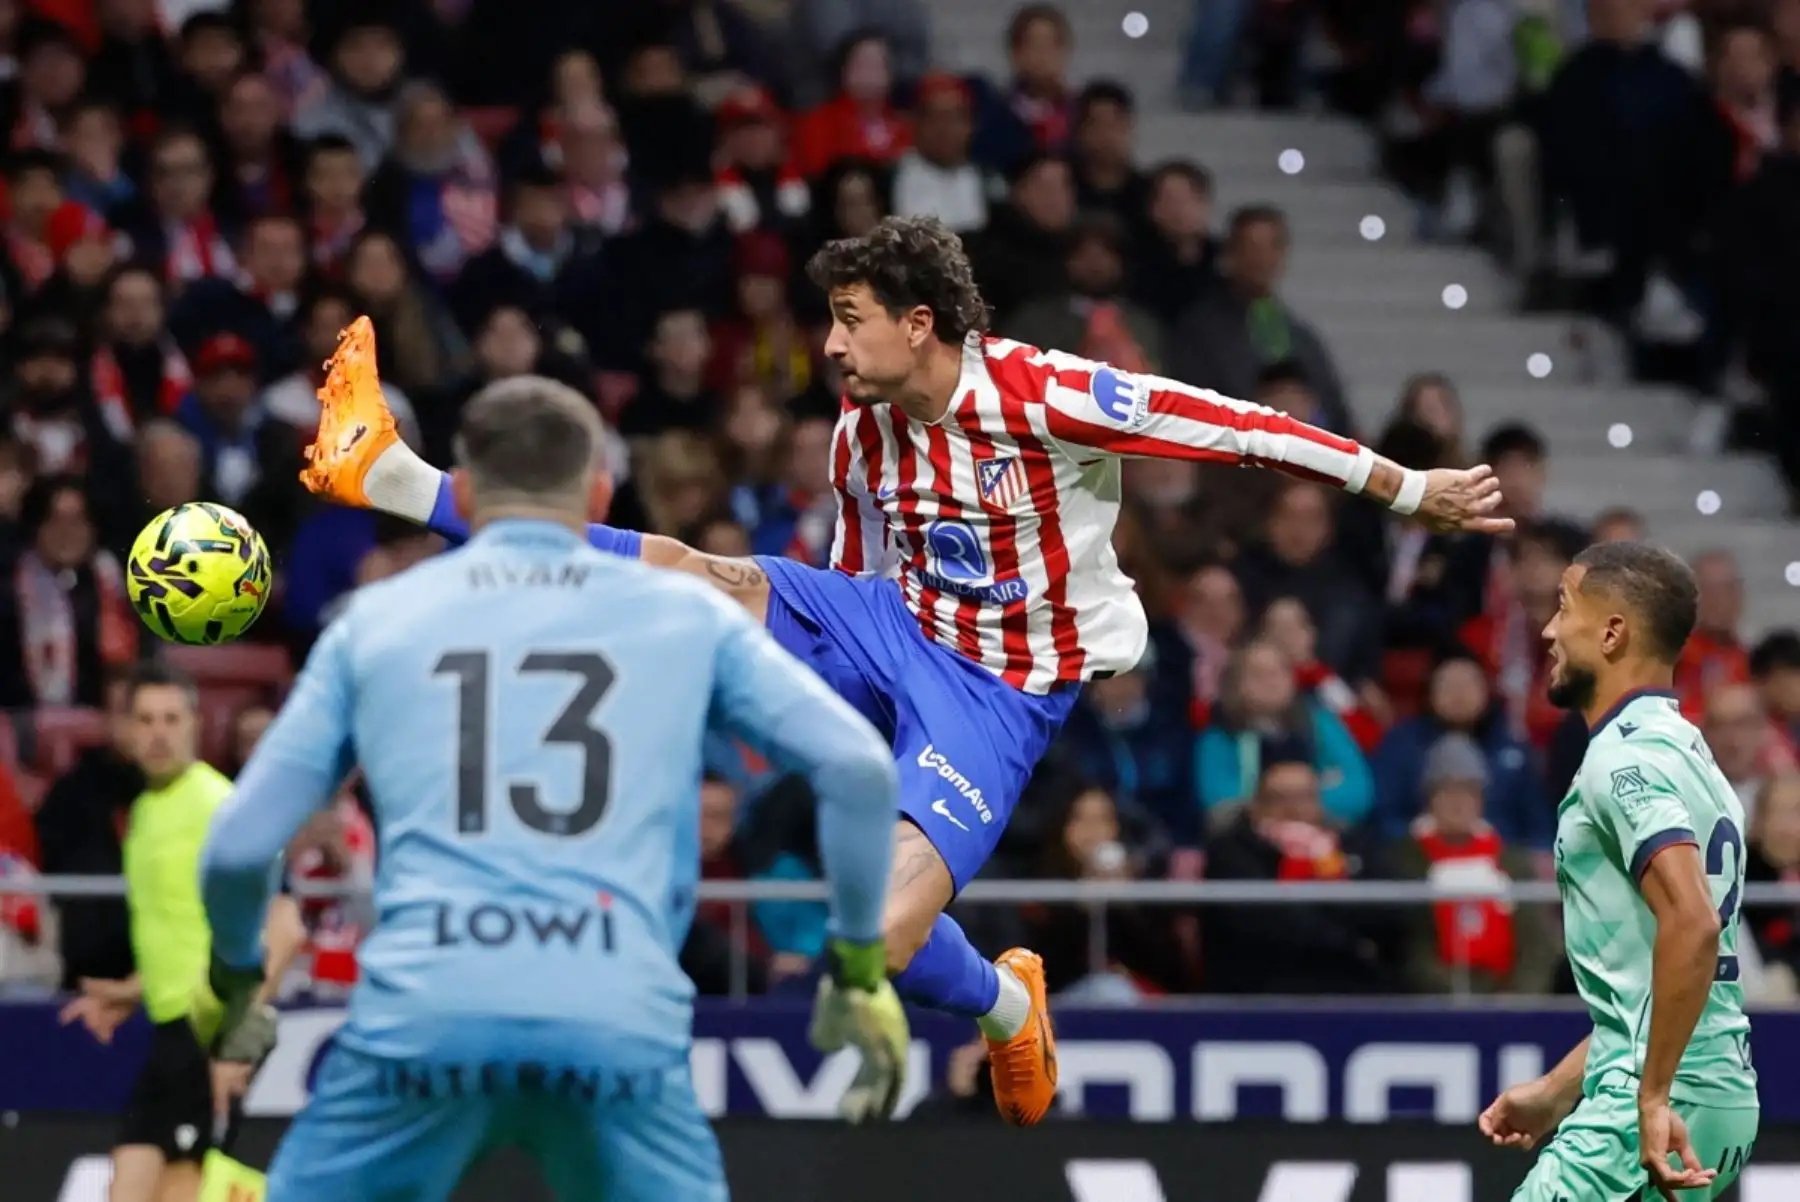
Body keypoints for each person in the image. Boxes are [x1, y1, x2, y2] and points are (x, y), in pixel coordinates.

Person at [299, 214, 1512, 1126]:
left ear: (918, 324)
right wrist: (801, 670)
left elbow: (1237, 424)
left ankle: (1004, 1004)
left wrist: (1409, 490)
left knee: (868, 927)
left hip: (1000, 689)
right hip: (885, 623)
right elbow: (854, 558)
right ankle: (397, 477)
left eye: (849, 319)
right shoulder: (863, 428)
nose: (828, 343)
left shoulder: (1043, 393)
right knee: (690, 568)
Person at [198, 377, 907, 1201]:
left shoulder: (375, 622)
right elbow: (857, 771)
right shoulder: (684, 615)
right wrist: (857, 969)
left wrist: (239, 979)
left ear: (459, 493)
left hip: (426, 1021)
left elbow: (240, 843)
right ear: (600, 492)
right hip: (614, 1024)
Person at [1478, 542, 1759, 1200]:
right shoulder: (1691, 754)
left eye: (1563, 608)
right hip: (1710, 1090)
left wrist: (1652, 1096)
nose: (1548, 630)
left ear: (1612, 632)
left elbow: (1692, 925)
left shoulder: (1622, 764)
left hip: (1655, 1107)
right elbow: (1655, 979)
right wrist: (1554, 1093)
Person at [57, 665, 304, 1202]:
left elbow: (285, 929)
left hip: (217, 1034)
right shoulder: (144, 814)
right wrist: (128, 994)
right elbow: (182, 936)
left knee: (181, 1191)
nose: (159, 732)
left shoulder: (222, 807)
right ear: (125, 731)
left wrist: (238, 1042)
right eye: (145, 720)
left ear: (197, 725)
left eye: (172, 718)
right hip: (171, 1035)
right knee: (128, 1182)